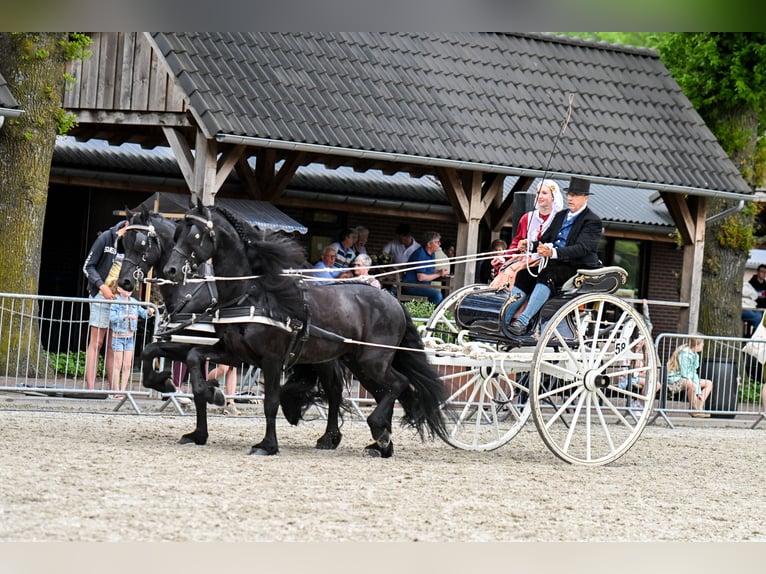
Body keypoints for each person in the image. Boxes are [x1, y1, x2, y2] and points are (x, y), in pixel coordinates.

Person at [502, 177, 603, 336]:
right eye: (569, 194)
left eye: (575, 195)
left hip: (578, 267)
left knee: (547, 275)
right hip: (555, 263)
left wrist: (553, 253)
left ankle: (523, 321)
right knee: (524, 274)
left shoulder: (592, 221)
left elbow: (582, 248)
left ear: (586, 198)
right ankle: (504, 319)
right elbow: (546, 239)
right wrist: (530, 244)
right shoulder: (561, 215)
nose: (570, 198)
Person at [490, 179, 565, 290]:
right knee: (506, 273)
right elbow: (516, 244)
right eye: (538, 193)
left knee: (517, 274)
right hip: (526, 258)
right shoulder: (527, 218)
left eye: (544, 193)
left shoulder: (560, 219)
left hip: (547, 262)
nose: (540, 196)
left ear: (553, 196)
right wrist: (504, 257)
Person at [82, 219, 128, 390]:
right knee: (97, 342)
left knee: (113, 344)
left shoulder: (133, 245)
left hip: (119, 300)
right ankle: (91, 387)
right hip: (101, 295)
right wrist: (102, 287)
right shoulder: (106, 238)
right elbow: (88, 266)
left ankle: (113, 388)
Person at [108, 281, 153, 399]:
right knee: (117, 365)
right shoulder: (116, 302)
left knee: (127, 365)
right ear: (119, 289)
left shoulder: (134, 302)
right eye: (126, 290)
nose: (128, 293)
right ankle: (116, 390)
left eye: (130, 291)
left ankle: (122, 391)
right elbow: (112, 318)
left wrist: (149, 312)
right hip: (118, 337)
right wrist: (125, 317)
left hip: (130, 337)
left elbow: (143, 313)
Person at [666, 336, 714, 418]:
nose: (703, 345)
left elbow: (693, 373)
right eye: (702, 343)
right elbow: (685, 374)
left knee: (708, 383)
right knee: (692, 385)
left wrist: (699, 392)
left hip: (687, 378)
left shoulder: (695, 355)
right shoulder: (684, 354)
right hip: (676, 379)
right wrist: (697, 390)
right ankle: (693, 408)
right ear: (696, 344)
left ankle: (699, 406)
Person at [400, 231, 449, 304]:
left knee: (445, 295)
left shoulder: (431, 254)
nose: (439, 244)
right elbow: (421, 277)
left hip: (422, 286)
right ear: (429, 244)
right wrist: (438, 274)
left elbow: (428, 272)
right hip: (411, 286)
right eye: (437, 242)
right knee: (437, 295)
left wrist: (439, 272)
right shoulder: (420, 254)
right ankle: (430, 315)